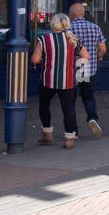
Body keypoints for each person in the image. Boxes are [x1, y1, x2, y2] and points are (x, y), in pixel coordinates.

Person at [32, 12, 89, 149]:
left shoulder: (44, 39)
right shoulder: (74, 39)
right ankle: (69, 138)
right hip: (68, 80)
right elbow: (86, 56)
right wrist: (76, 63)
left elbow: (34, 59)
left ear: (53, 25)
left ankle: (47, 133)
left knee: (44, 106)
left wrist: (43, 59)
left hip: (48, 79)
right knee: (68, 108)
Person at [67, 2, 106, 136]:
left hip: (71, 71)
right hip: (89, 70)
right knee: (88, 97)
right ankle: (92, 118)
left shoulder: (68, 29)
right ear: (83, 14)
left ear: (71, 15)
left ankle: (72, 131)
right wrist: (95, 58)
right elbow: (102, 49)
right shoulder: (95, 27)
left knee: (70, 102)